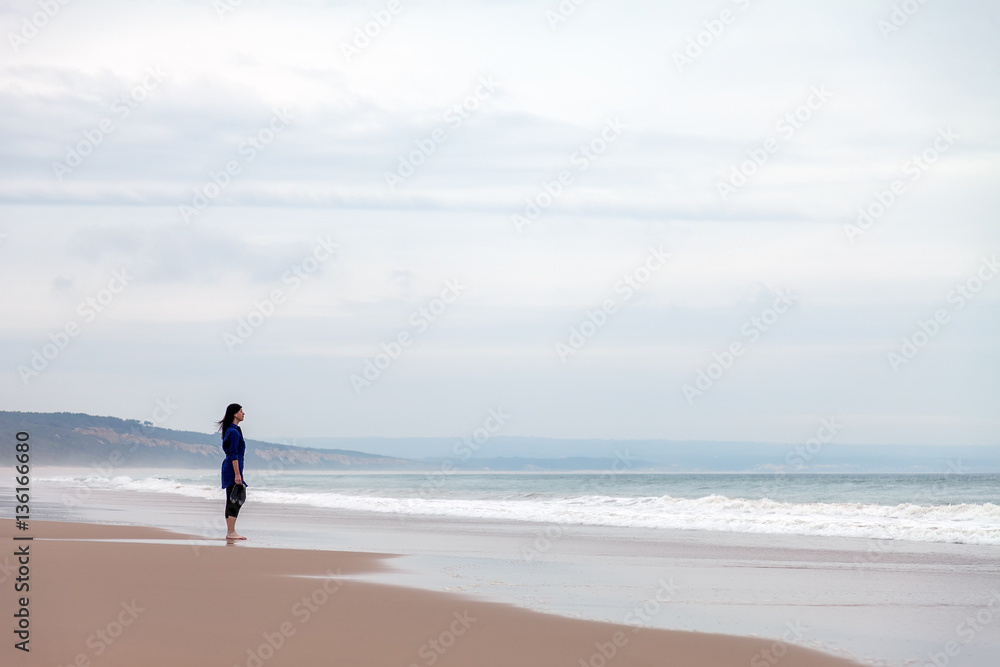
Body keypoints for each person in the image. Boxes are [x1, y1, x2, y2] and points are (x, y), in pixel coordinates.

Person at [217, 403, 248, 540]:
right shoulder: (233, 432)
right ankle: (231, 532)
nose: (243, 413)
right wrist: (237, 474)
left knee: (232, 498)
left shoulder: (232, 429)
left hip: (230, 467)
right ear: (235, 414)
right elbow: (234, 455)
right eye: (241, 411)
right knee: (235, 499)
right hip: (232, 468)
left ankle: (231, 531)